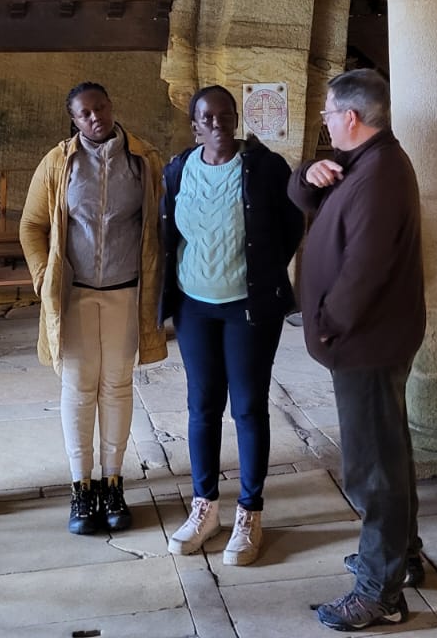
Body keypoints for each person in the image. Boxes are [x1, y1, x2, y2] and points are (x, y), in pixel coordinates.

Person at [290, 69, 427, 632]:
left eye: (326, 114)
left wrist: (327, 326)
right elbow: (301, 196)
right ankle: (403, 558)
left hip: (365, 341)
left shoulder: (381, 175)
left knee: (373, 468)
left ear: (350, 118)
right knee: (388, 451)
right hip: (367, 340)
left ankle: (380, 592)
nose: (324, 122)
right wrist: (309, 174)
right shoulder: (363, 161)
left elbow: (364, 270)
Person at [159, 85, 304, 566]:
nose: (218, 123)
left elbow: (290, 226)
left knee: (247, 406)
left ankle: (250, 511)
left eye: (226, 115)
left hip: (248, 307)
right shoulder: (179, 169)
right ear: (194, 123)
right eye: (207, 117)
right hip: (195, 306)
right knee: (201, 406)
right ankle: (204, 507)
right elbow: (169, 233)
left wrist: (259, 275)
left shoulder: (265, 167)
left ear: (235, 118)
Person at [20, 82, 167, 535]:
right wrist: (45, 276)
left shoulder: (144, 161)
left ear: (111, 105)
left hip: (126, 290)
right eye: (84, 113)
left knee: (118, 387)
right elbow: (32, 225)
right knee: (79, 387)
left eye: (100, 107)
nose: (95, 117)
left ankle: (113, 482)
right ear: (74, 119)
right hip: (75, 293)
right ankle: (81, 487)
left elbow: (161, 221)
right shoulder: (59, 163)